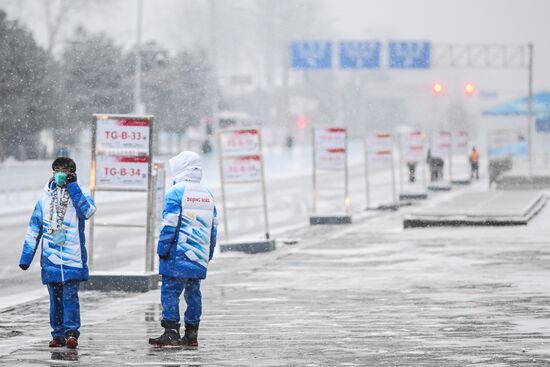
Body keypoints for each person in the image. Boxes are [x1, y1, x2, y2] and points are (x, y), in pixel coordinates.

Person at [19, 157, 96, 349]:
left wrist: (73, 186)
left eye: (65, 170)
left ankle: (71, 333)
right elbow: (34, 228)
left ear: (72, 173)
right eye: (57, 169)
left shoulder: (80, 194)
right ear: (52, 171)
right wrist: (26, 258)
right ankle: (58, 334)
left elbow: (87, 212)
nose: (61, 173)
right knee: (55, 300)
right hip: (51, 260)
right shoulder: (44, 198)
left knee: (70, 297)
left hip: (72, 258)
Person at [149, 151, 218, 348]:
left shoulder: (176, 192)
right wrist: (208, 253)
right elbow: (213, 227)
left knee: (170, 292)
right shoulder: (207, 194)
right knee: (193, 292)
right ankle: (191, 333)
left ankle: (171, 331)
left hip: (177, 254)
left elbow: (169, 225)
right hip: (198, 255)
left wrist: (162, 249)